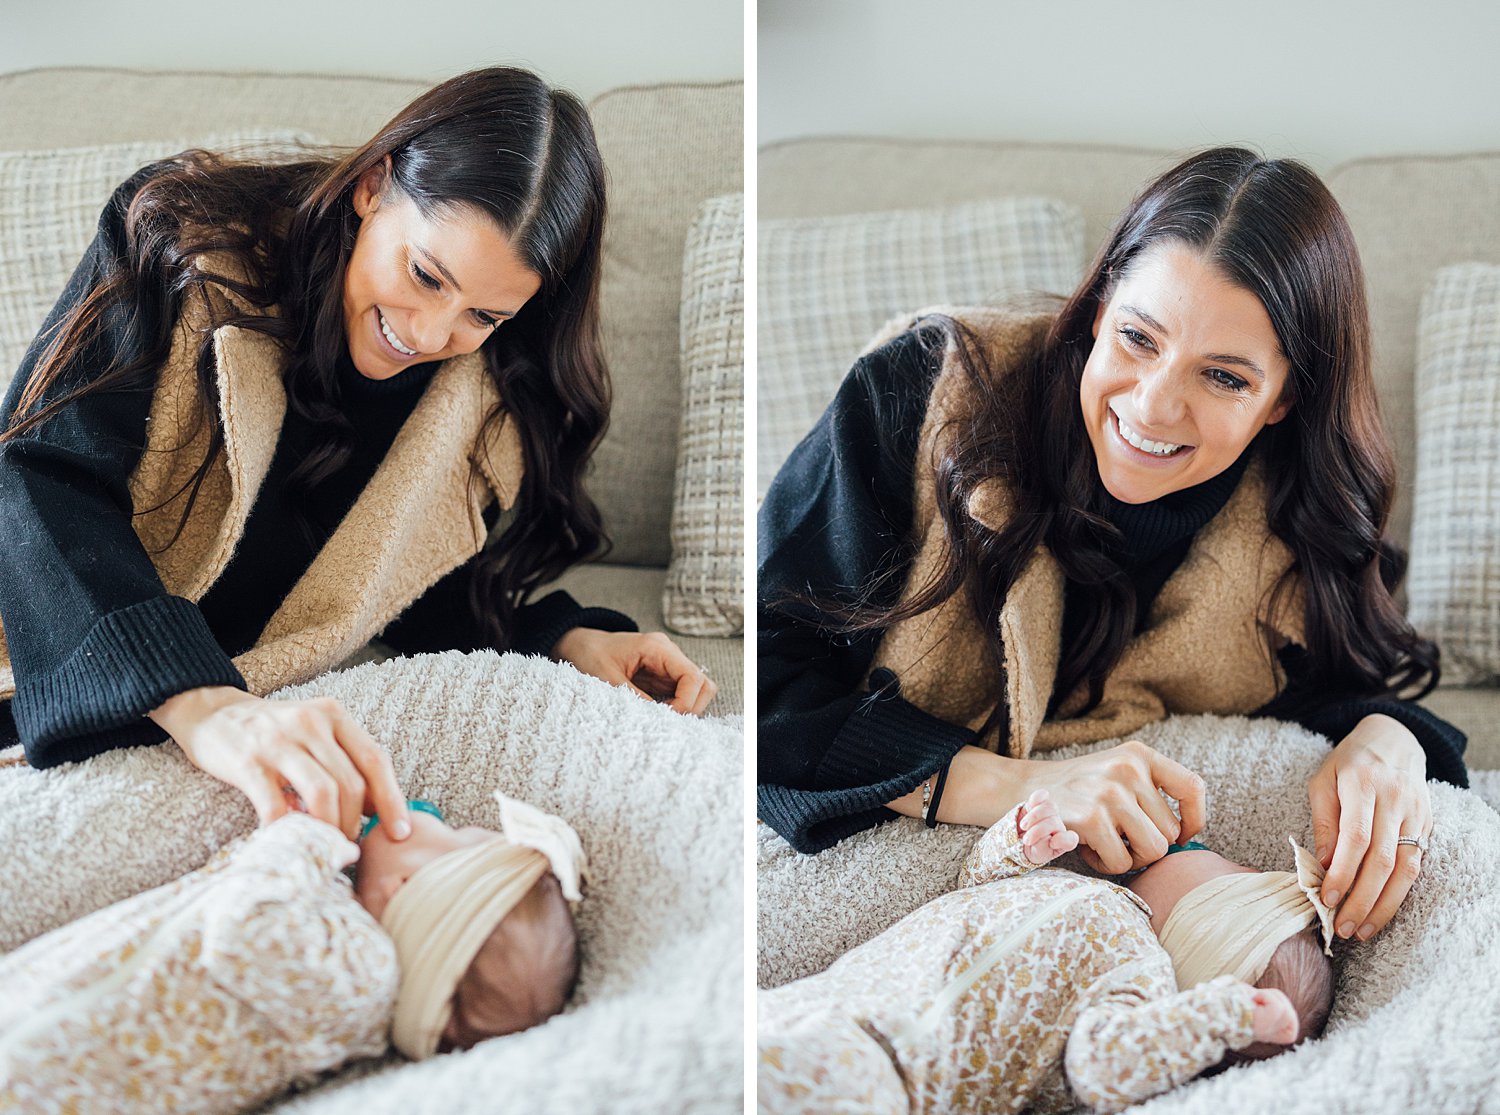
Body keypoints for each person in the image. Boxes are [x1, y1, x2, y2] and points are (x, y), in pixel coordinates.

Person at [758, 146, 1465, 944]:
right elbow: (766, 678)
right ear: (1098, 309)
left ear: (1281, 399)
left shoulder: (1295, 521)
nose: (1155, 407)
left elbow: (1342, 689)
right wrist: (1019, 786)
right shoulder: (918, 393)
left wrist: (1391, 742)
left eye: (1225, 377)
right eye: (1137, 337)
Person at [0, 67, 716, 843]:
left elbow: (396, 575)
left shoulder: (478, 401)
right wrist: (198, 699)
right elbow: (37, 475)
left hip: (238, 714)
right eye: (424, 273)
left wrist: (566, 638)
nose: (432, 334)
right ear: (374, 186)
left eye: (482, 313)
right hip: (71, 651)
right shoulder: (183, 246)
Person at [0, 790, 585, 1114]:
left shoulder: (362, 981)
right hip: (49, 993)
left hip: (52, 1078)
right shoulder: (334, 920)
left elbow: (242, 927)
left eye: (454, 834)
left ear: (403, 889)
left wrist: (309, 834)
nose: (435, 810)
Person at [757, 790, 1333, 1114]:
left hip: (895, 1079)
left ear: (1208, 923)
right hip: (825, 1000)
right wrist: (1018, 843)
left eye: (1235, 870)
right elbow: (972, 889)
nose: (1231, 855)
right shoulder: (1082, 891)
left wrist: (1225, 1013)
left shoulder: (1137, 976)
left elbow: (1100, 1068)